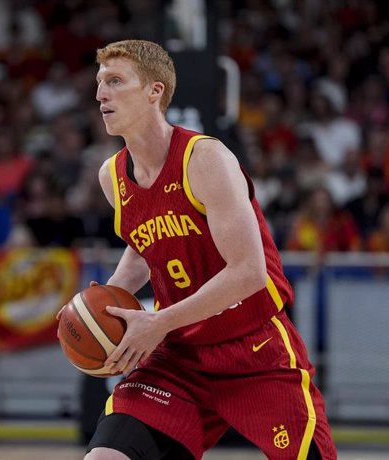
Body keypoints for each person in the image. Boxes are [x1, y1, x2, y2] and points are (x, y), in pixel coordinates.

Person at [85, 40, 337, 459]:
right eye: (99, 83)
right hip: (178, 358)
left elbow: (248, 272)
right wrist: (98, 308)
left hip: (253, 350)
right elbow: (143, 248)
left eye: (114, 81)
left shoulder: (204, 159)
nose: (100, 94)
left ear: (155, 91)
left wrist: (159, 321)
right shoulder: (112, 176)